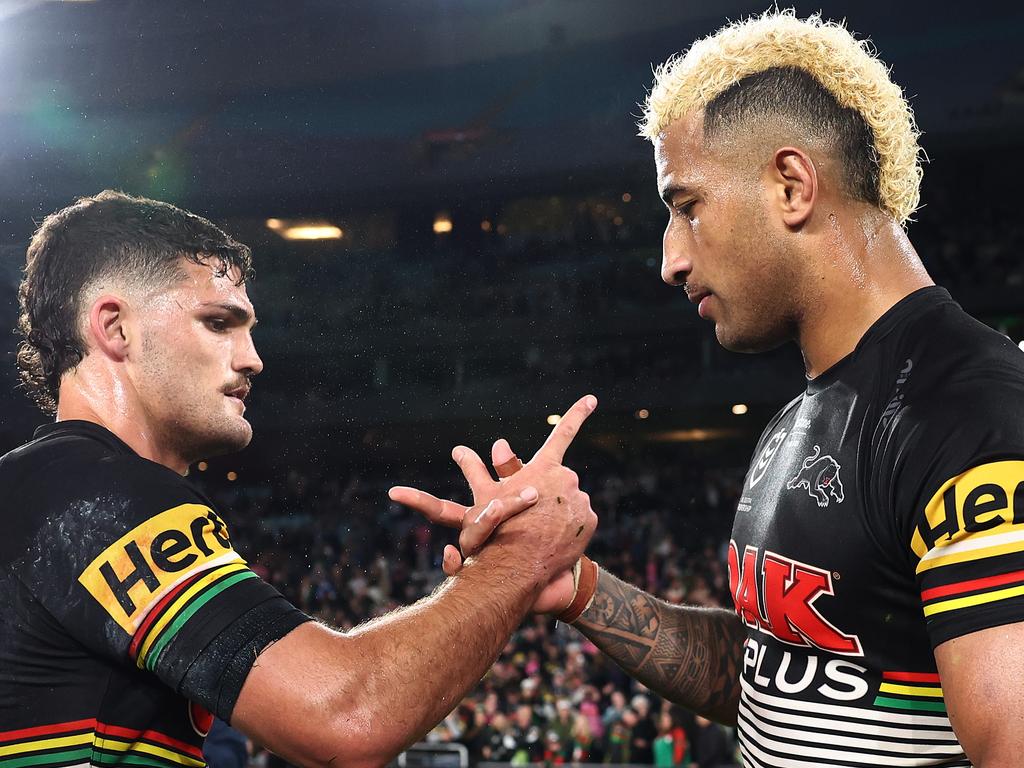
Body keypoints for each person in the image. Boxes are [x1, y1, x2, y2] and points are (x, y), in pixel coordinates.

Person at [396, 10, 1024, 766]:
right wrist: (577, 586)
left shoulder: (970, 411)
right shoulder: (803, 416)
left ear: (791, 186)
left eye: (687, 207)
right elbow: (773, 677)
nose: (670, 260)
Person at [0, 189, 599, 767]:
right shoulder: (95, 494)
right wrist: (518, 560)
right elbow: (346, 716)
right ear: (115, 327)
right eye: (218, 322)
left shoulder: (43, 492)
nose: (251, 357)